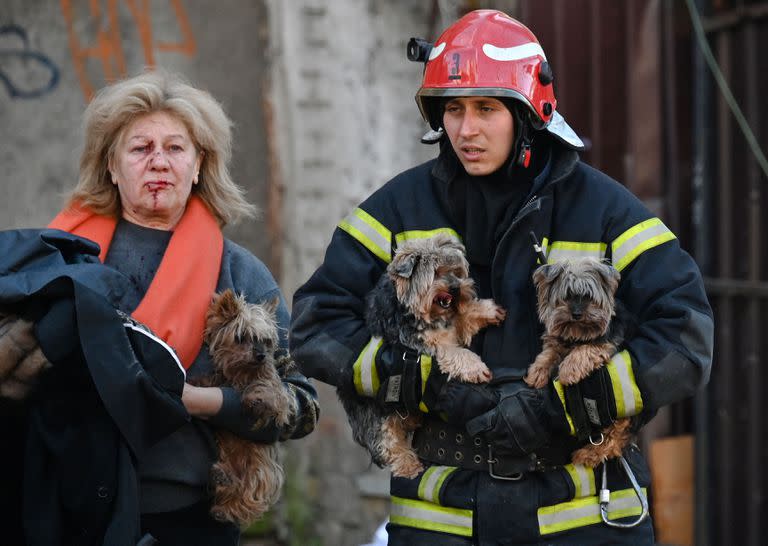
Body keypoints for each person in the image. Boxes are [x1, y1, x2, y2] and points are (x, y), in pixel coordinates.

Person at [290, 10, 712, 546]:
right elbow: (315, 327)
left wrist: (567, 408)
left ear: (528, 112)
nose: (466, 130)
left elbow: (686, 338)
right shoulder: (396, 209)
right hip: (441, 517)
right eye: (454, 109)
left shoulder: (606, 211)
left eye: (486, 108)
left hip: (585, 517)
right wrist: (427, 385)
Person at [0, 71, 318, 545]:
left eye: (175, 148)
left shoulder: (238, 272)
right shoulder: (58, 259)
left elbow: (302, 408)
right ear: (111, 165)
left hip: (187, 521)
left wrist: (201, 402)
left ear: (198, 165)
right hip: (64, 512)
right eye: (140, 148)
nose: (158, 163)